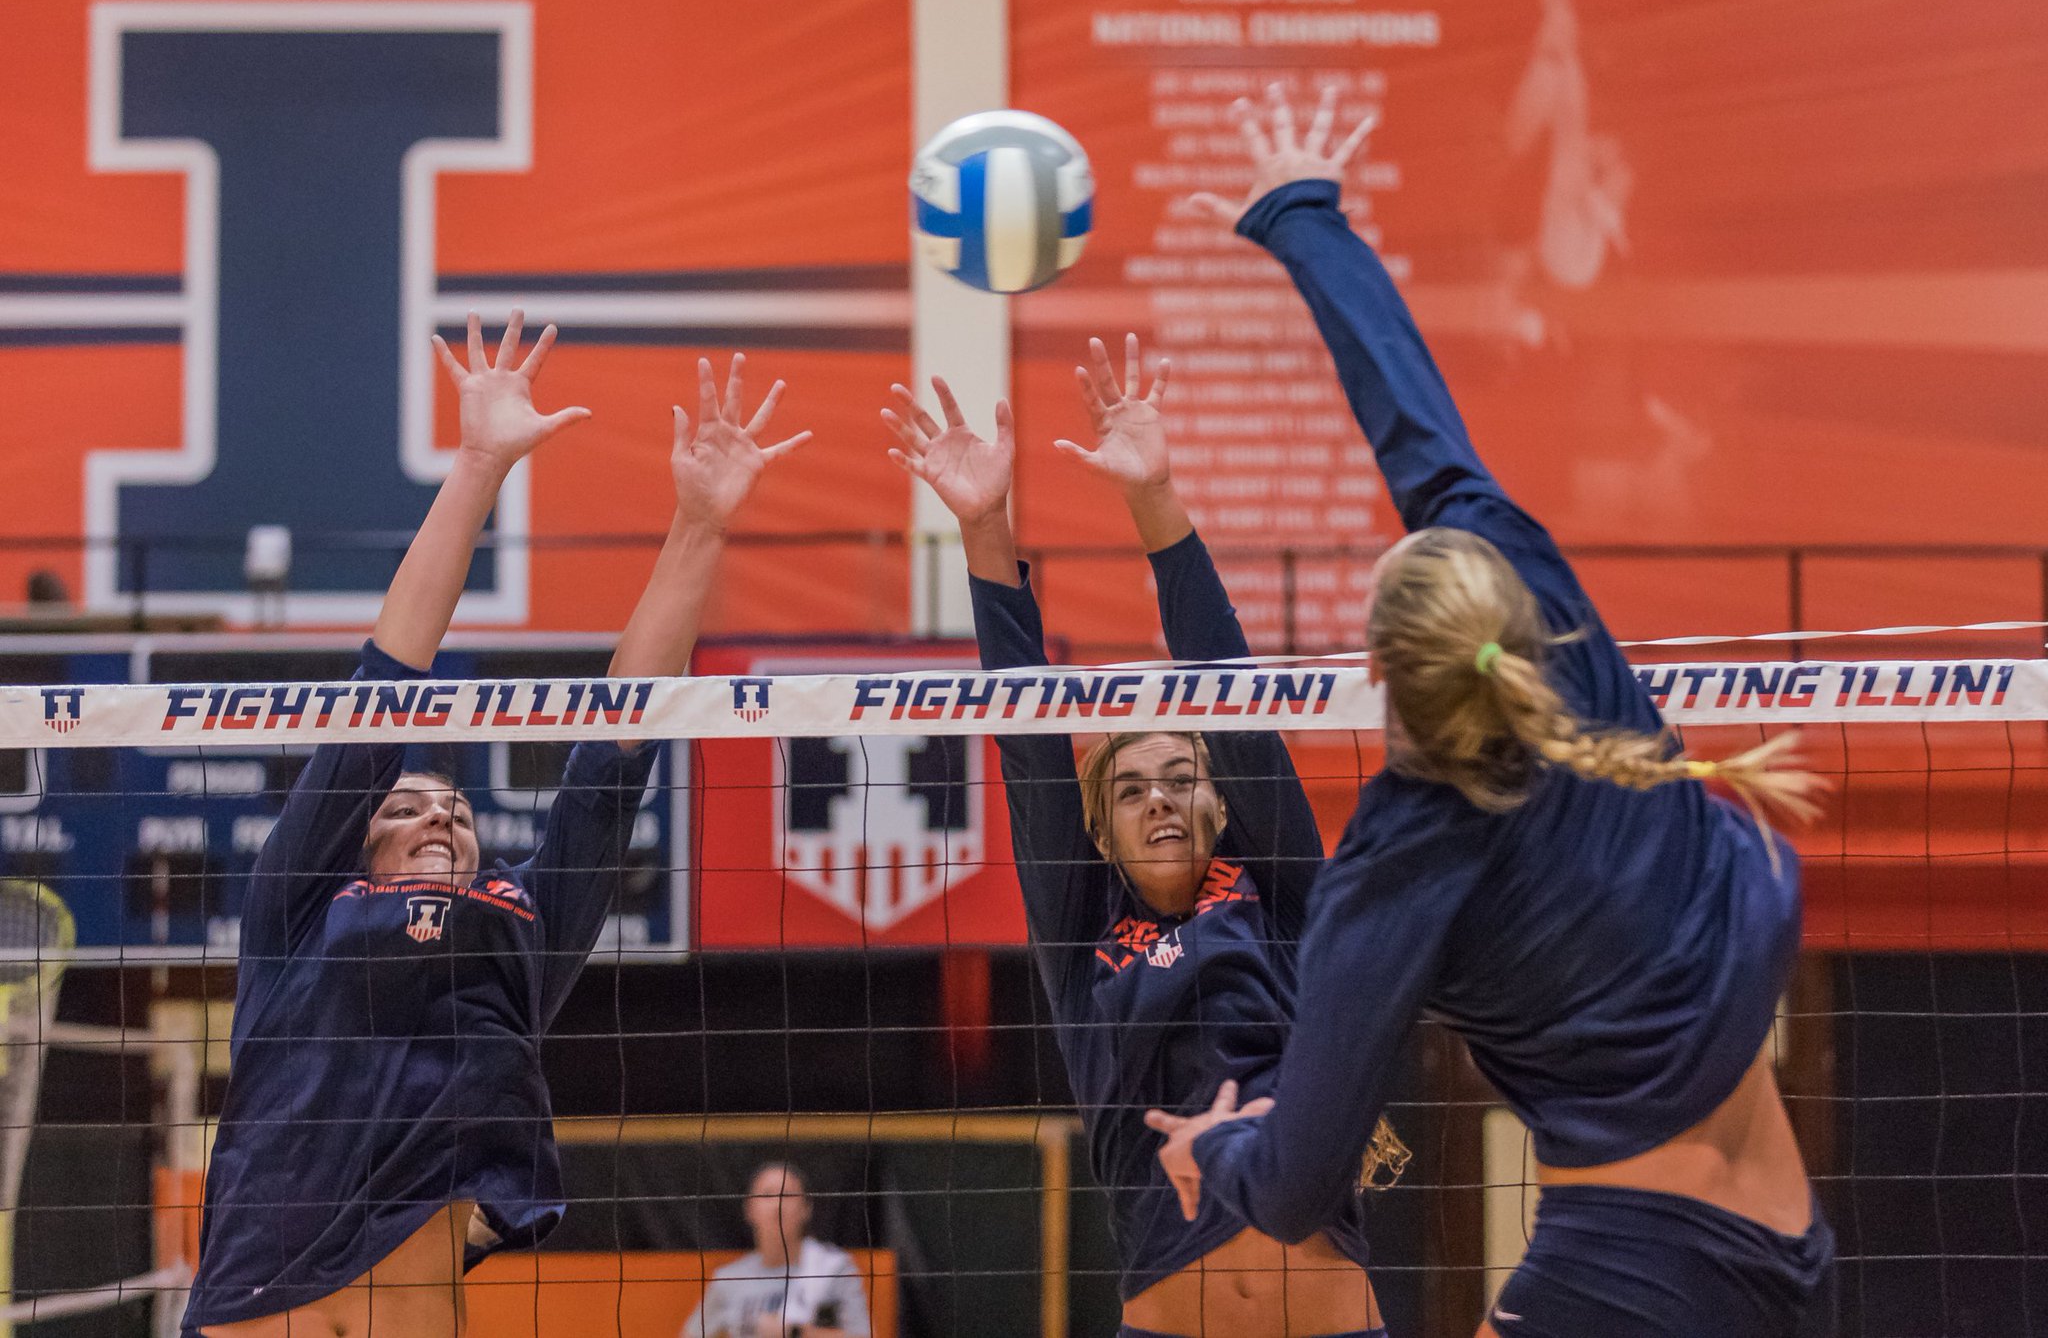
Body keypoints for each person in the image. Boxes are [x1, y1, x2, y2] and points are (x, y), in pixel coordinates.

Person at [1146, 86, 1836, 1338]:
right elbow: (1421, 436)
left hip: (1627, 1272)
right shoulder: (1552, 617)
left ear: (1377, 670)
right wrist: (1300, 214)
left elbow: (1295, 1187)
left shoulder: (1395, 856)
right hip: (1789, 1249)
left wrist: (1220, 1146)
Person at [184, 313, 810, 1337]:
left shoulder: (516, 926)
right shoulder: (301, 906)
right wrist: (478, 466)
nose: (438, 813)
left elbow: (617, 753)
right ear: (357, 839)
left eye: (459, 810)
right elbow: (386, 681)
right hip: (260, 1305)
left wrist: (699, 523)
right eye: (405, 806)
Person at [882, 343, 1389, 1337]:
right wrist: (985, 530)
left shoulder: (1281, 899)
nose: (1157, 799)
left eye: (1179, 778)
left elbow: (1233, 698)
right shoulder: (1084, 940)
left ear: (1218, 804)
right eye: (1128, 789)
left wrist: (1154, 499)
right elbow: (1029, 749)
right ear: (1103, 832)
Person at [682, 1162, 872, 1338]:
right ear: (750, 1209)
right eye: (767, 1195)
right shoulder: (728, 1280)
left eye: (787, 1195)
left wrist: (792, 1332)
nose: (777, 1205)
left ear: (806, 1209)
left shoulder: (834, 1270)